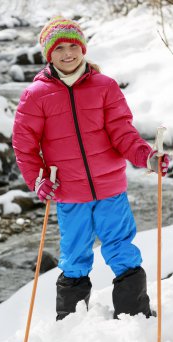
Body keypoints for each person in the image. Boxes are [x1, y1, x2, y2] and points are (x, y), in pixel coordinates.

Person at [12, 16, 170, 320]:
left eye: (73, 46)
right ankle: (69, 323)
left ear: (83, 48)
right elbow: (25, 146)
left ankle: (134, 316)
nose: (68, 54)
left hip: (110, 190)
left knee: (123, 251)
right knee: (74, 258)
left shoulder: (105, 87)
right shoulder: (36, 96)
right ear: (49, 54)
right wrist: (38, 180)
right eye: (59, 49)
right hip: (69, 193)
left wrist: (149, 158)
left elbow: (124, 134)